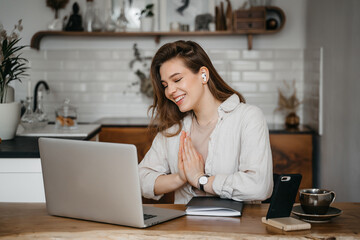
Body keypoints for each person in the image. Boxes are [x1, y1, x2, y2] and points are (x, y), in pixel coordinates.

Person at [139, 40, 273, 204]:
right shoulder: (173, 131)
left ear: (203, 74)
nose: (170, 91)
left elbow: (259, 186)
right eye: (165, 85)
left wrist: (200, 180)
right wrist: (180, 177)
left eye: (177, 79)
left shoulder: (248, 118)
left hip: (237, 228)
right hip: (185, 228)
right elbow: (139, 180)